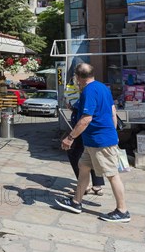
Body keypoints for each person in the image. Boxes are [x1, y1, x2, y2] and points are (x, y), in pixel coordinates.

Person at [56, 63, 130, 222]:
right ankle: (76, 202)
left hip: (100, 141)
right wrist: (114, 132)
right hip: (93, 142)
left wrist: (70, 137)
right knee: (83, 168)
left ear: (77, 77)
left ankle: (122, 211)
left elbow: (86, 119)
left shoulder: (88, 91)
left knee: (112, 175)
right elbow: (112, 111)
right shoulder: (103, 87)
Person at [67, 101, 105, 196]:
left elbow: (86, 117)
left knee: (74, 153)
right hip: (91, 130)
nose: (78, 85)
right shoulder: (100, 90)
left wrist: (70, 137)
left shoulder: (89, 91)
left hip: (83, 129)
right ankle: (97, 185)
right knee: (91, 154)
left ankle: (84, 186)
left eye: (79, 84)